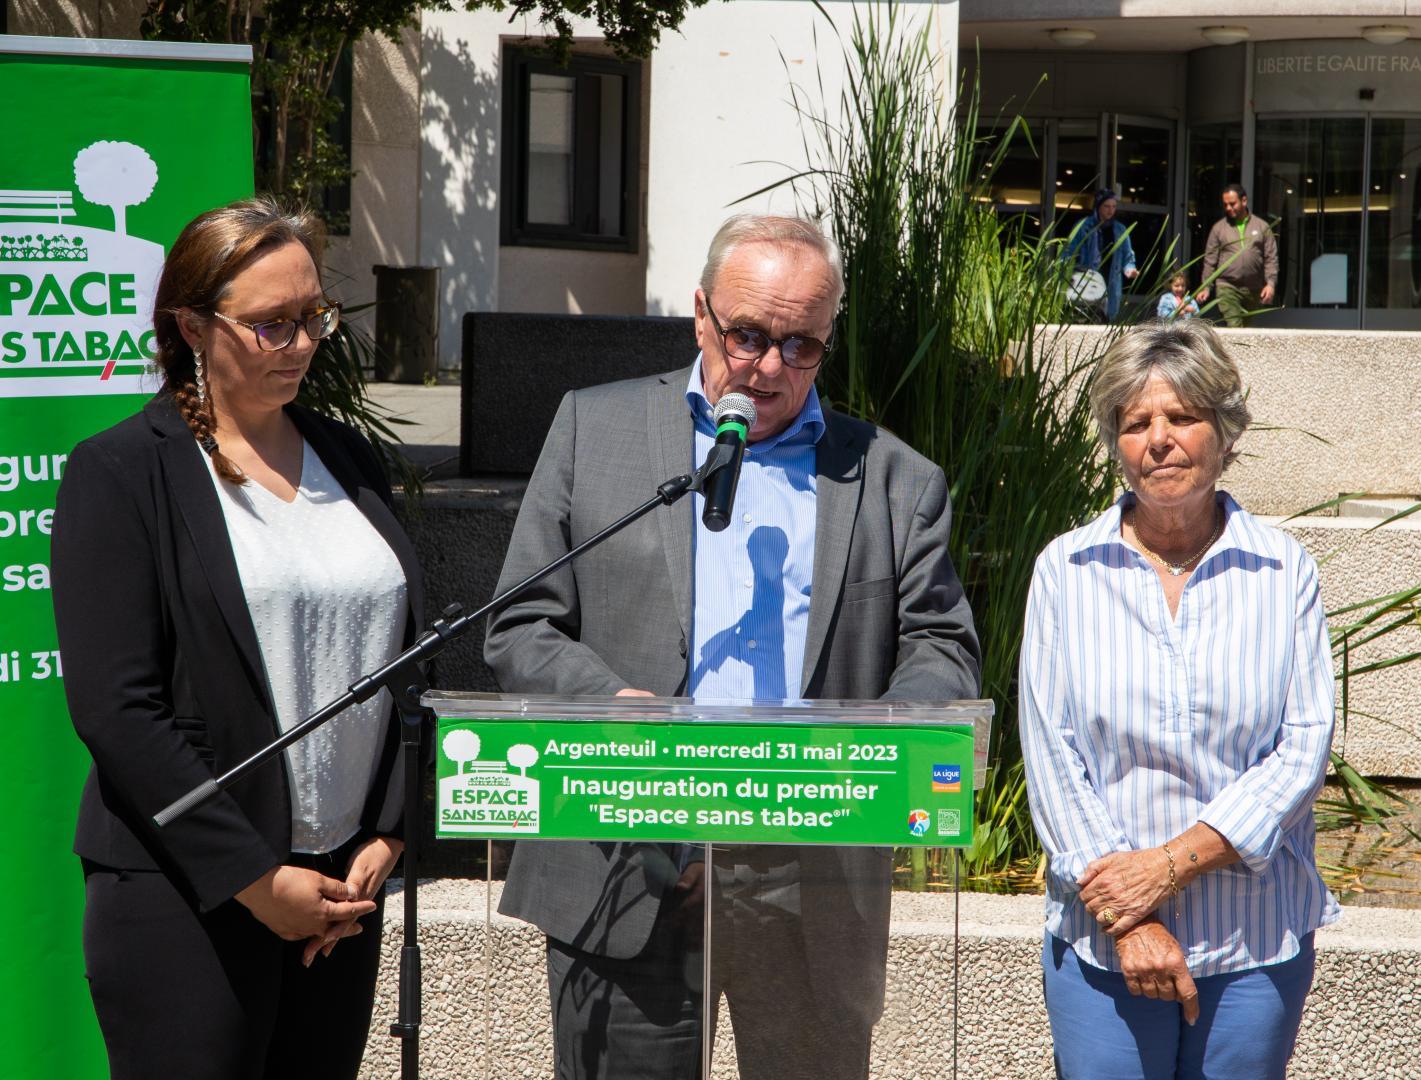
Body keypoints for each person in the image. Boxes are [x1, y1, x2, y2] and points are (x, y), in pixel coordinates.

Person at [484, 213, 981, 1080]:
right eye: (747, 335)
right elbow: (521, 620)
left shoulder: (896, 479)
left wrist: (877, 735)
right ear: (700, 316)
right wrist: (611, 707)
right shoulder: (592, 430)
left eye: (801, 346)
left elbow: (940, 648)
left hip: (809, 867)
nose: (768, 367)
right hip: (628, 849)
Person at [51, 197, 424, 1080]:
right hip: (187, 897)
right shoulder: (119, 472)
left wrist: (389, 830)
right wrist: (259, 881)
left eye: (312, 318)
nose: (300, 344)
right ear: (189, 326)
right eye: (270, 325)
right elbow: (118, 710)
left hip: (339, 893)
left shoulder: (348, 458)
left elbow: (408, 653)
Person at [1019, 319, 1338, 1080]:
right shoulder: (1065, 570)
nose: (1158, 439)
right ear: (1115, 444)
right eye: (1135, 423)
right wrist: (1128, 918)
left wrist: (1165, 868)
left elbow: (1302, 746)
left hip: (1251, 945)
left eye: (1181, 417)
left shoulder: (1281, 570)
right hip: (1101, 948)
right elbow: (1051, 752)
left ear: (1223, 433)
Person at [1197, 183, 1278, 326]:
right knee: (1234, 326)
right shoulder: (1219, 228)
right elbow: (1210, 259)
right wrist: (1206, 286)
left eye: (1232, 204)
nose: (1228, 208)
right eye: (1225, 204)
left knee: (1246, 332)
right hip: (1227, 287)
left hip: (1253, 288)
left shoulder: (1262, 227)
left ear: (1244, 201)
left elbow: (1270, 257)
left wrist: (1270, 284)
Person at [1066, 188, 1138, 322]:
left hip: (1111, 279)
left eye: (1113, 207)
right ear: (1098, 206)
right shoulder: (1083, 226)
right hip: (1088, 278)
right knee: (1088, 314)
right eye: (1106, 206)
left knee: (1108, 317)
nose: (1110, 210)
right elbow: (1069, 251)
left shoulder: (1120, 229)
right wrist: (1067, 272)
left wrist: (1130, 270)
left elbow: (1127, 256)